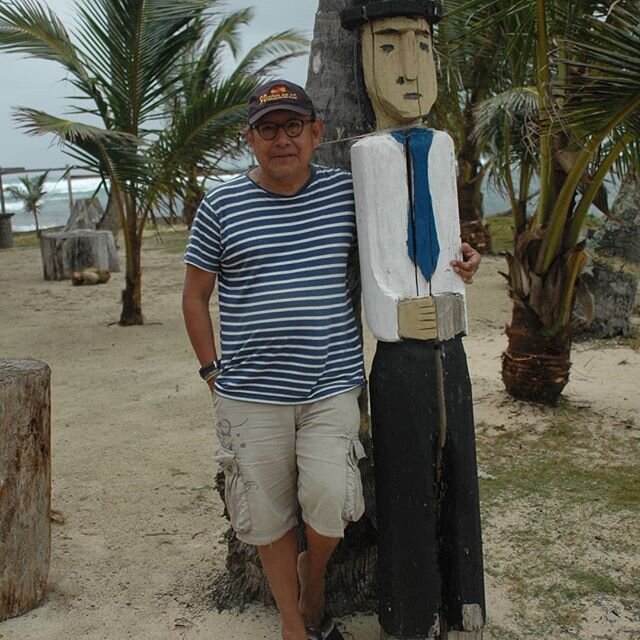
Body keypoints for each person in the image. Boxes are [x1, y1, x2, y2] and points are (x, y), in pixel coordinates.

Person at [182, 79, 480, 640]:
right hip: (249, 393)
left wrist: (459, 258)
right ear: (250, 140)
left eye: (294, 126)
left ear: (317, 133)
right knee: (267, 516)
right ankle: (296, 624)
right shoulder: (221, 204)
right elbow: (195, 296)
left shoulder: (348, 194)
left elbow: (410, 240)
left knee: (329, 504)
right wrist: (212, 373)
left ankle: (314, 579)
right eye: (268, 129)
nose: (282, 139)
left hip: (331, 387)